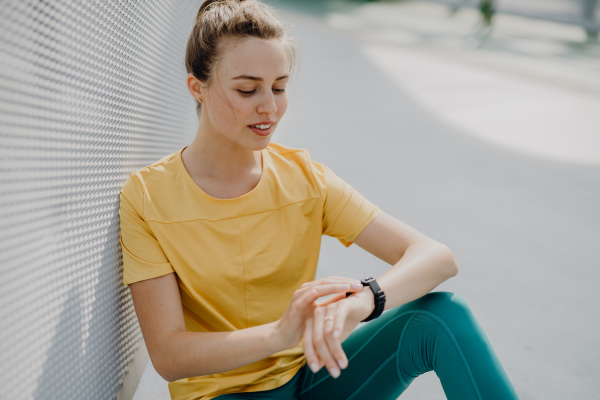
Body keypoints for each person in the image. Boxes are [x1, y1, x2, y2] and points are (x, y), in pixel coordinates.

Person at [118, 1, 520, 399]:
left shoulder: (305, 179)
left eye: (279, 87)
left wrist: (363, 302)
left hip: (310, 380)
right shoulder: (148, 197)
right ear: (197, 88)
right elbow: (168, 354)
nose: (269, 107)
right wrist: (279, 334)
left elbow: (435, 257)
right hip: (219, 395)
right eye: (247, 89)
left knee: (441, 316)